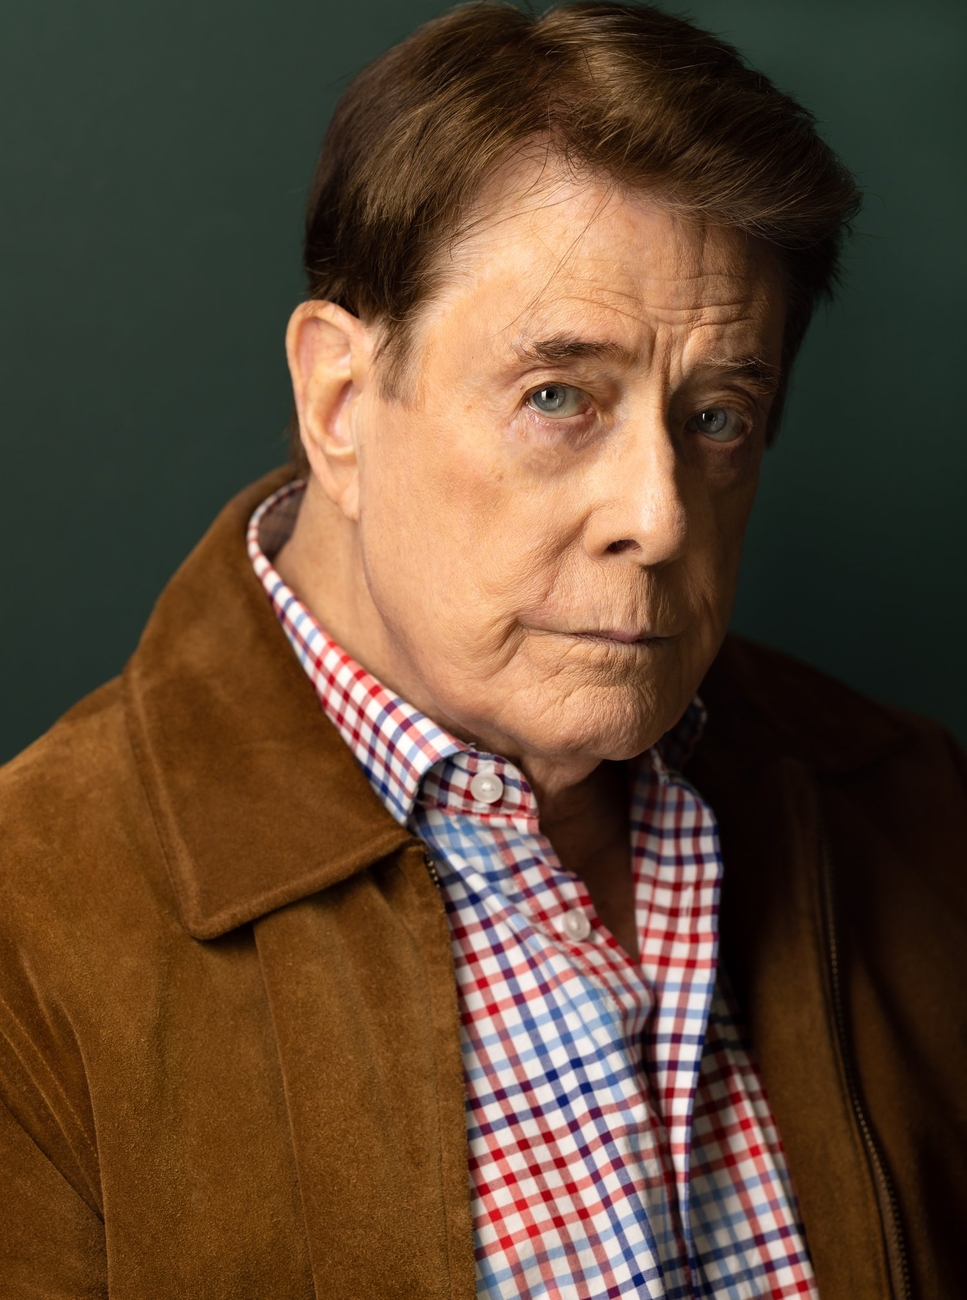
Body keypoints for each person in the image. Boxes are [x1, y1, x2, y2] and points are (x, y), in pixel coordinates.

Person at [1, 3, 964, 1296]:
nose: (660, 517)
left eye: (719, 417)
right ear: (341, 401)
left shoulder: (913, 805)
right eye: (558, 396)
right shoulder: (29, 942)